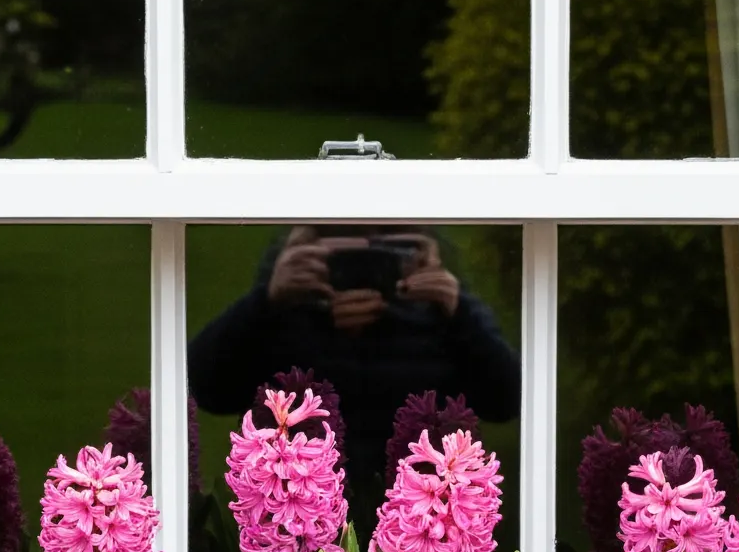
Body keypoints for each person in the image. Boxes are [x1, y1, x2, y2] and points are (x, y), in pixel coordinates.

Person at [187, 225, 520, 527]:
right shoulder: (284, 310)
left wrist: (456, 308)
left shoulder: (441, 313)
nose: (365, 269)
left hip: (423, 514)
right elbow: (208, 388)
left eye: (387, 254)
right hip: (296, 514)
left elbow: (507, 401)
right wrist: (266, 300)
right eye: (342, 253)